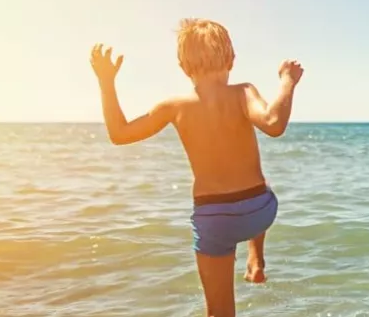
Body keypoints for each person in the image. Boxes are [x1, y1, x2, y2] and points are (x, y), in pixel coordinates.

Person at [89, 18, 304, 317]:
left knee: (219, 312)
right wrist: (287, 80)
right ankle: (256, 261)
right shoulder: (243, 93)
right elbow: (273, 123)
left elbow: (119, 134)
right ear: (231, 58)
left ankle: (253, 261)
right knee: (263, 188)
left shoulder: (173, 106)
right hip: (258, 212)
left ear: (182, 66)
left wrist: (106, 82)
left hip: (213, 218)